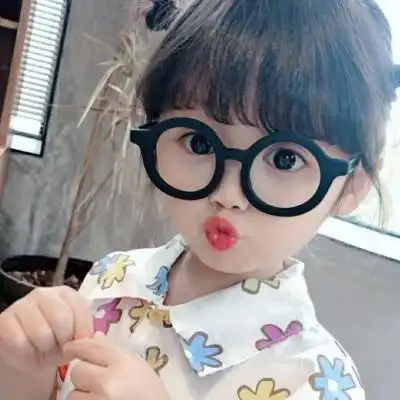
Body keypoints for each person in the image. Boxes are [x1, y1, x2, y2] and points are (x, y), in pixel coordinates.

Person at [0, 0, 399, 399]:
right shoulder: (113, 279)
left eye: (285, 159)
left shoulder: (316, 382)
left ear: (353, 185)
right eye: (198, 142)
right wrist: (23, 369)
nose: (228, 195)